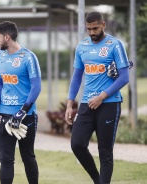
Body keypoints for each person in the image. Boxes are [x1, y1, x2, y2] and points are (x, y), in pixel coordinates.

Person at [65, 11, 131, 184]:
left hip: (109, 104)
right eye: (89, 29)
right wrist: (70, 104)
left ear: (103, 25)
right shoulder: (81, 47)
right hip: (87, 104)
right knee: (77, 144)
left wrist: (102, 96)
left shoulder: (115, 45)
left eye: (95, 28)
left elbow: (124, 77)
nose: (92, 32)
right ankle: (97, 179)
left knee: (105, 151)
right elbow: (77, 77)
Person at [0, 21, 42, 184]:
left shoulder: (29, 57)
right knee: (6, 159)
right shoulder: (1, 56)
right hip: (4, 115)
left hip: (26, 116)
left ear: (7, 37)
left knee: (28, 156)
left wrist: (23, 111)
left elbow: (36, 87)